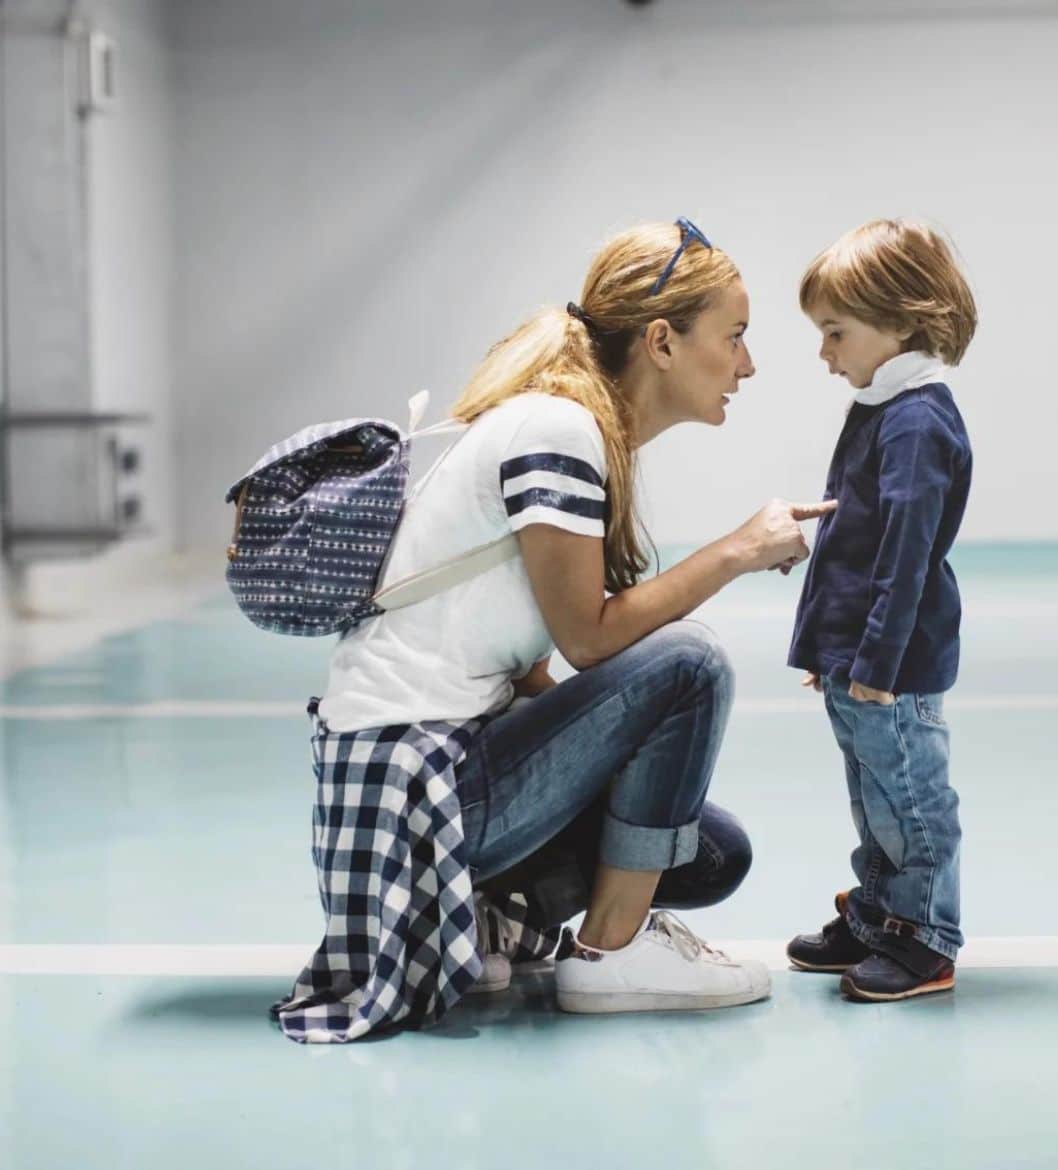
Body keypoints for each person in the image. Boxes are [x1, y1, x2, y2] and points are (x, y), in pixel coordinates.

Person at [283, 218, 834, 1037]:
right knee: (689, 663)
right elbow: (587, 638)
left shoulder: (569, 427)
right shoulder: (559, 430)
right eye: (736, 337)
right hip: (415, 784)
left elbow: (536, 667)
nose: (747, 365)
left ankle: (485, 916)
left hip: (423, 777)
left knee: (713, 852)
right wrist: (737, 552)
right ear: (662, 341)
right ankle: (612, 955)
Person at [784, 219, 977, 1002]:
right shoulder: (880, 406)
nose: (824, 354)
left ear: (900, 322)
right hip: (857, 661)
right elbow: (851, 537)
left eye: (835, 332)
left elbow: (904, 557)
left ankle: (926, 935)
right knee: (873, 793)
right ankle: (879, 914)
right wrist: (827, 651)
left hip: (890, 670)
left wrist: (875, 665)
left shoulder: (918, 420)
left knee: (911, 800)